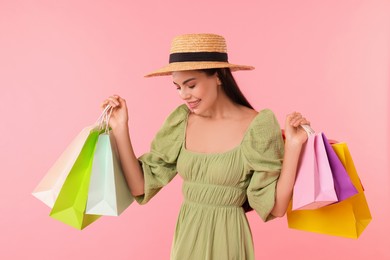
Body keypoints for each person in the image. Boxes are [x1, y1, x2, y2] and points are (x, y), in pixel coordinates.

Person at [101, 33, 310, 260]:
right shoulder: (181, 121)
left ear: (219, 76)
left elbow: (277, 208)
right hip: (186, 241)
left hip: (228, 242)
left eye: (191, 85)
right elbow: (139, 187)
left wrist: (294, 146)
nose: (183, 95)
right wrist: (121, 128)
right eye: (177, 87)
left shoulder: (258, 126)